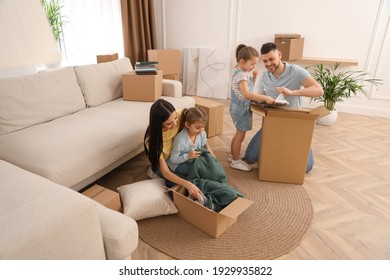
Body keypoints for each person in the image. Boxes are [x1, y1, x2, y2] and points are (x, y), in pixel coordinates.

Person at [244, 42, 324, 172]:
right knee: (250, 157)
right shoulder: (265, 76)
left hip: (294, 122)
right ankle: (278, 145)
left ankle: (285, 145)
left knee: (307, 167)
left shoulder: (296, 71)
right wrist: (259, 100)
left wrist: (292, 92)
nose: (268, 64)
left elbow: (319, 90)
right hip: (272, 122)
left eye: (271, 59)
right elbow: (261, 96)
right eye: (265, 61)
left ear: (279, 55)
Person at [144, 99, 203, 200]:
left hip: (179, 154)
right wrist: (188, 184)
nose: (175, 124)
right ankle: (154, 171)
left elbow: (199, 131)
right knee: (187, 181)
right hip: (166, 164)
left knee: (197, 171)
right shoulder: (152, 141)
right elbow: (166, 172)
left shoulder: (180, 115)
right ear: (159, 124)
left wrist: (210, 152)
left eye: (175, 118)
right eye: (169, 124)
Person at [229, 44, 275, 172]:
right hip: (241, 109)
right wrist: (264, 98)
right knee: (240, 137)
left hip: (236, 107)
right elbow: (247, 94)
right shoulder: (242, 76)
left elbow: (248, 89)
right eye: (252, 64)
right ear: (242, 61)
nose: (254, 67)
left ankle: (233, 155)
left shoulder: (238, 70)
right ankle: (235, 161)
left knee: (237, 134)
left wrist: (254, 78)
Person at [167, 106, 216, 178]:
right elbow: (173, 160)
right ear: (187, 125)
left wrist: (212, 156)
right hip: (178, 164)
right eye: (197, 128)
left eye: (203, 127)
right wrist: (188, 156)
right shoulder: (181, 140)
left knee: (210, 166)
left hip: (193, 160)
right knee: (200, 171)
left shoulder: (201, 133)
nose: (201, 130)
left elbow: (205, 146)